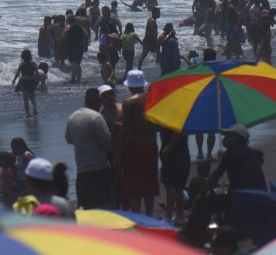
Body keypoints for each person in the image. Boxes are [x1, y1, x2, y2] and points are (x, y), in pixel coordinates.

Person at [184, 124, 267, 247]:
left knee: (203, 203)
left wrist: (201, 192)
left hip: (243, 198)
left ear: (238, 138)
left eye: (229, 136)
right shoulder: (250, 152)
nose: (225, 138)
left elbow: (216, 175)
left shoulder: (233, 152)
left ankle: (190, 240)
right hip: (256, 195)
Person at [65, 88, 113, 209]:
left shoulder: (72, 117)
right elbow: (107, 143)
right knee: (104, 207)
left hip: (81, 171)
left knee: (87, 209)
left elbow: (69, 139)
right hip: (99, 169)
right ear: (97, 102)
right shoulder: (97, 117)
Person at [120, 70, 159, 216]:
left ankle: (137, 219)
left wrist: (119, 152)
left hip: (135, 146)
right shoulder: (152, 99)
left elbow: (126, 129)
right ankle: (149, 217)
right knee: (149, 185)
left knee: (134, 187)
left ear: (130, 86)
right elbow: (158, 125)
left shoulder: (128, 103)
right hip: (152, 144)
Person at [159, 127, 190, 226]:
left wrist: (169, 147)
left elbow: (178, 131)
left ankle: (168, 216)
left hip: (174, 153)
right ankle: (180, 215)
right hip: (180, 152)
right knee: (178, 187)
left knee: (171, 185)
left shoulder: (176, 119)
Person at [195, 48, 217, 160]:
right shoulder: (216, 69)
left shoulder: (200, 68)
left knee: (199, 127)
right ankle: (208, 153)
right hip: (212, 100)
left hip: (200, 99)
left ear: (204, 57)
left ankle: (199, 152)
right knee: (211, 129)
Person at [12, 49, 38, 118]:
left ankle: (28, 113)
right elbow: (37, 74)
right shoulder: (33, 64)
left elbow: (17, 73)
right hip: (31, 82)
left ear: (22, 57)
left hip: (26, 82)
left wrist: (14, 80)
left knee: (26, 99)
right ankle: (34, 109)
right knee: (32, 98)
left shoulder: (22, 64)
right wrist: (37, 82)